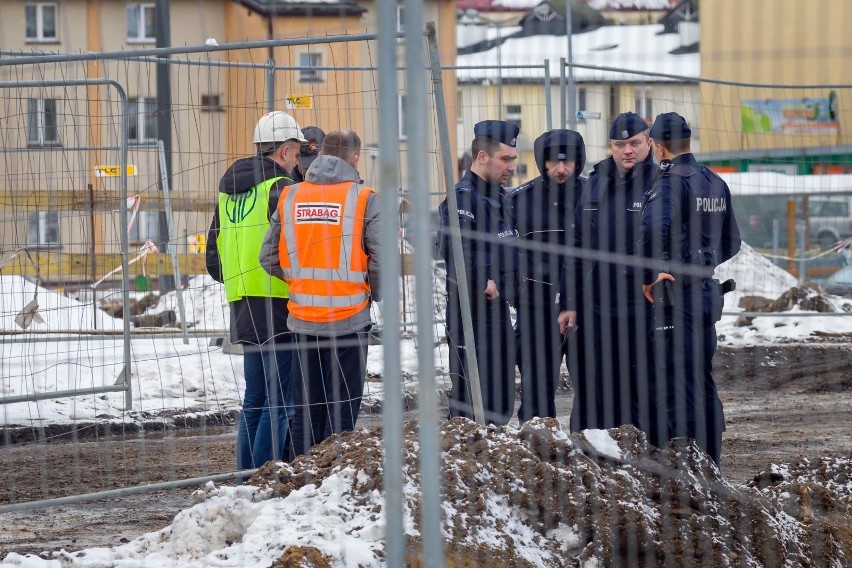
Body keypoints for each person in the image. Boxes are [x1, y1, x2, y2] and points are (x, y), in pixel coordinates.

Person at [259, 129, 380, 457]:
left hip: (302, 323)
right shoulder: (364, 197)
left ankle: (304, 480)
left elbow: (266, 256)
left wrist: (301, 285)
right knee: (342, 411)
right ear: (354, 158)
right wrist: (375, 294)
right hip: (349, 324)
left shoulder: (291, 196)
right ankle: (333, 484)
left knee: (307, 411)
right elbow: (382, 261)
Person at [638, 112, 741, 465]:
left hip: (677, 297)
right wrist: (703, 262)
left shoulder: (669, 182)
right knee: (702, 377)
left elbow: (653, 230)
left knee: (674, 381)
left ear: (658, 146)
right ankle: (711, 459)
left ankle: (681, 465)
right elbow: (732, 242)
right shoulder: (714, 181)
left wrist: (657, 271)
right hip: (707, 294)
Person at [205, 110, 305, 474]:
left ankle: (243, 478)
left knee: (255, 397)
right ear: (283, 151)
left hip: (242, 301)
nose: (298, 162)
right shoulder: (280, 188)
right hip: (278, 300)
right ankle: (258, 478)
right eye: (296, 154)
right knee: (279, 401)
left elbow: (212, 259)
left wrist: (238, 277)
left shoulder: (227, 191)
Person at [557, 112, 657, 434]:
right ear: (610, 146)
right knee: (594, 388)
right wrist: (569, 300)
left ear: (649, 143)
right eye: (619, 144)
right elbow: (575, 244)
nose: (627, 151)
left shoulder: (661, 184)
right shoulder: (595, 182)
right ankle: (592, 453)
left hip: (642, 308)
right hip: (595, 306)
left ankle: (640, 456)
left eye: (635, 143)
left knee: (638, 389)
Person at [438, 120, 519, 425]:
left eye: (513, 159)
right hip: (469, 311)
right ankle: (463, 461)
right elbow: (457, 250)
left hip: (498, 310)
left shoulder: (500, 198)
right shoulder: (463, 197)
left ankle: (495, 457)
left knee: (500, 395)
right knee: (471, 396)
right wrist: (484, 278)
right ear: (482, 157)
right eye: (505, 159)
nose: (511, 166)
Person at [505, 129, 585, 423]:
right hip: (536, 310)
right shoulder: (519, 201)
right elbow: (506, 252)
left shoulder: (593, 196)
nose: (561, 169)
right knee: (536, 392)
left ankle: (591, 449)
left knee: (592, 389)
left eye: (569, 162)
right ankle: (536, 450)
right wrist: (517, 295)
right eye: (553, 162)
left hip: (583, 308)